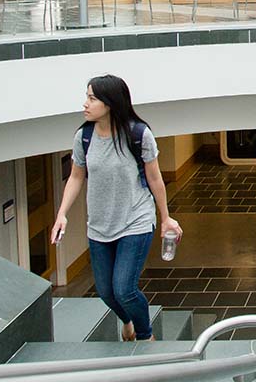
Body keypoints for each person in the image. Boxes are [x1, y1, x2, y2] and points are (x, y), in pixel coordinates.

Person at [51, 75, 182, 343]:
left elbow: (155, 179)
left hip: (136, 220)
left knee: (124, 289)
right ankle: (128, 320)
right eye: (86, 97)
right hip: (99, 226)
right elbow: (76, 176)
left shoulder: (138, 135)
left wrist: (165, 217)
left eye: (92, 98)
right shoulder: (84, 136)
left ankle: (145, 336)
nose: (85, 104)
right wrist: (61, 214)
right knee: (106, 292)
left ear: (110, 103)